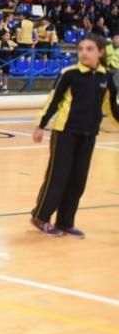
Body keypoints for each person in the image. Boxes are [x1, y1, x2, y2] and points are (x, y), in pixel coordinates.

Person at [30, 34, 119, 238]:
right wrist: (41, 125)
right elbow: (53, 101)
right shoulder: (69, 74)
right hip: (65, 133)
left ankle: (65, 222)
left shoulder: (106, 77)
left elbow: (112, 108)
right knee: (58, 178)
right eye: (80, 49)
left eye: (89, 49)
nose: (84, 53)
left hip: (89, 135)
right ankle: (40, 217)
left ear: (100, 52)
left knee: (78, 180)